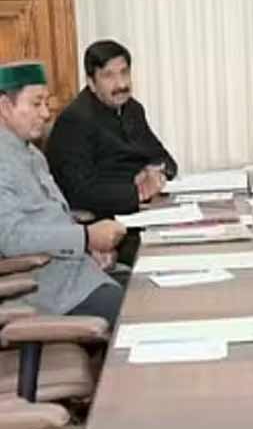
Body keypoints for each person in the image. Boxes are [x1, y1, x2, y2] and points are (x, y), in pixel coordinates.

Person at [0, 62, 126, 326]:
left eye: (46, 103)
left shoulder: (32, 154)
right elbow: (11, 237)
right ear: (4, 107)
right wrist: (85, 237)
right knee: (142, 310)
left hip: (77, 272)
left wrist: (89, 247)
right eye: (36, 104)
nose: (46, 113)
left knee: (150, 286)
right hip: (45, 289)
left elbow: (52, 216)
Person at [46, 40, 177, 218]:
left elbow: (164, 159)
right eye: (109, 76)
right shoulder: (75, 120)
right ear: (91, 83)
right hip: (106, 219)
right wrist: (137, 191)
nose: (121, 84)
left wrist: (155, 173)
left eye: (124, 72)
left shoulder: (133, 109)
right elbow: (78, 191)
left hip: (144, 209)